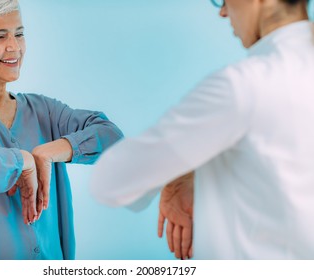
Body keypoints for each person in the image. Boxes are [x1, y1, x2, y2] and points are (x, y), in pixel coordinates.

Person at [90, 0, 314, 259]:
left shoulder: (244, 86)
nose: (222, 11)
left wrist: (179, 170)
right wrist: (197, 174)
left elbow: (110, 181)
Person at [0, 0, 123, 260]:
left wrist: (51, 151)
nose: (14, 47)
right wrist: (23, 161)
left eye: (19, 34)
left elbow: (111, 136)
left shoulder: (45, 110)